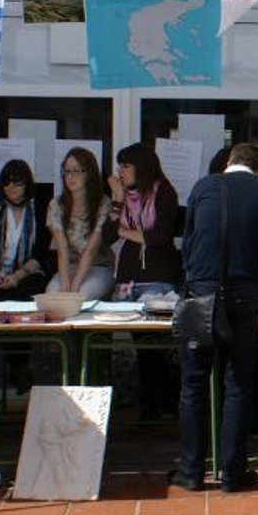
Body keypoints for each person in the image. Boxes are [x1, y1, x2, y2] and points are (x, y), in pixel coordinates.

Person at [173, 143, 258, 492]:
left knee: (193, 384)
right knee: (238, 383)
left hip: (201, 292)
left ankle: (191, 470)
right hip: (245, 294)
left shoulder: (204, 187)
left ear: (228, 163)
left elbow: (188, 243)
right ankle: (233, 472)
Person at [105, 142, 181, 419]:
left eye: (126, 166)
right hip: (129, 278)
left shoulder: (164, 192)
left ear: (142, 167)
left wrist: (125, 231)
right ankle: (152, 405)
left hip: (158, 277)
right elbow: (107, 236)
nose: (120, 172)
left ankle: (162, 404)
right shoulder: (123, 197)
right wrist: (116, 200)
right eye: (120, 166)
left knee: (156, 343)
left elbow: (160, 237)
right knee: (142, 345)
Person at [0, 159, 51, 301]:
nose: (11, 186)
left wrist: (17, 276)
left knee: (30, 290)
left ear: (27, 184)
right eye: (6, 182)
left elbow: (40, 255)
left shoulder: (39, 212)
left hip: (27, 274)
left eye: (17, 182)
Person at [46, 146, 114, 300]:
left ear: (89, 173)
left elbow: (91, 250)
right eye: (67, 171)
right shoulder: (56, 205)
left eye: (76, 171)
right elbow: (62, 249)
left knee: (81, 296)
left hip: (98, 267)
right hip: (68, 267)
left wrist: (75, 286)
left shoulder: (103, 204)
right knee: (52, 296)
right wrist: (65, 284)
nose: (70, 177)